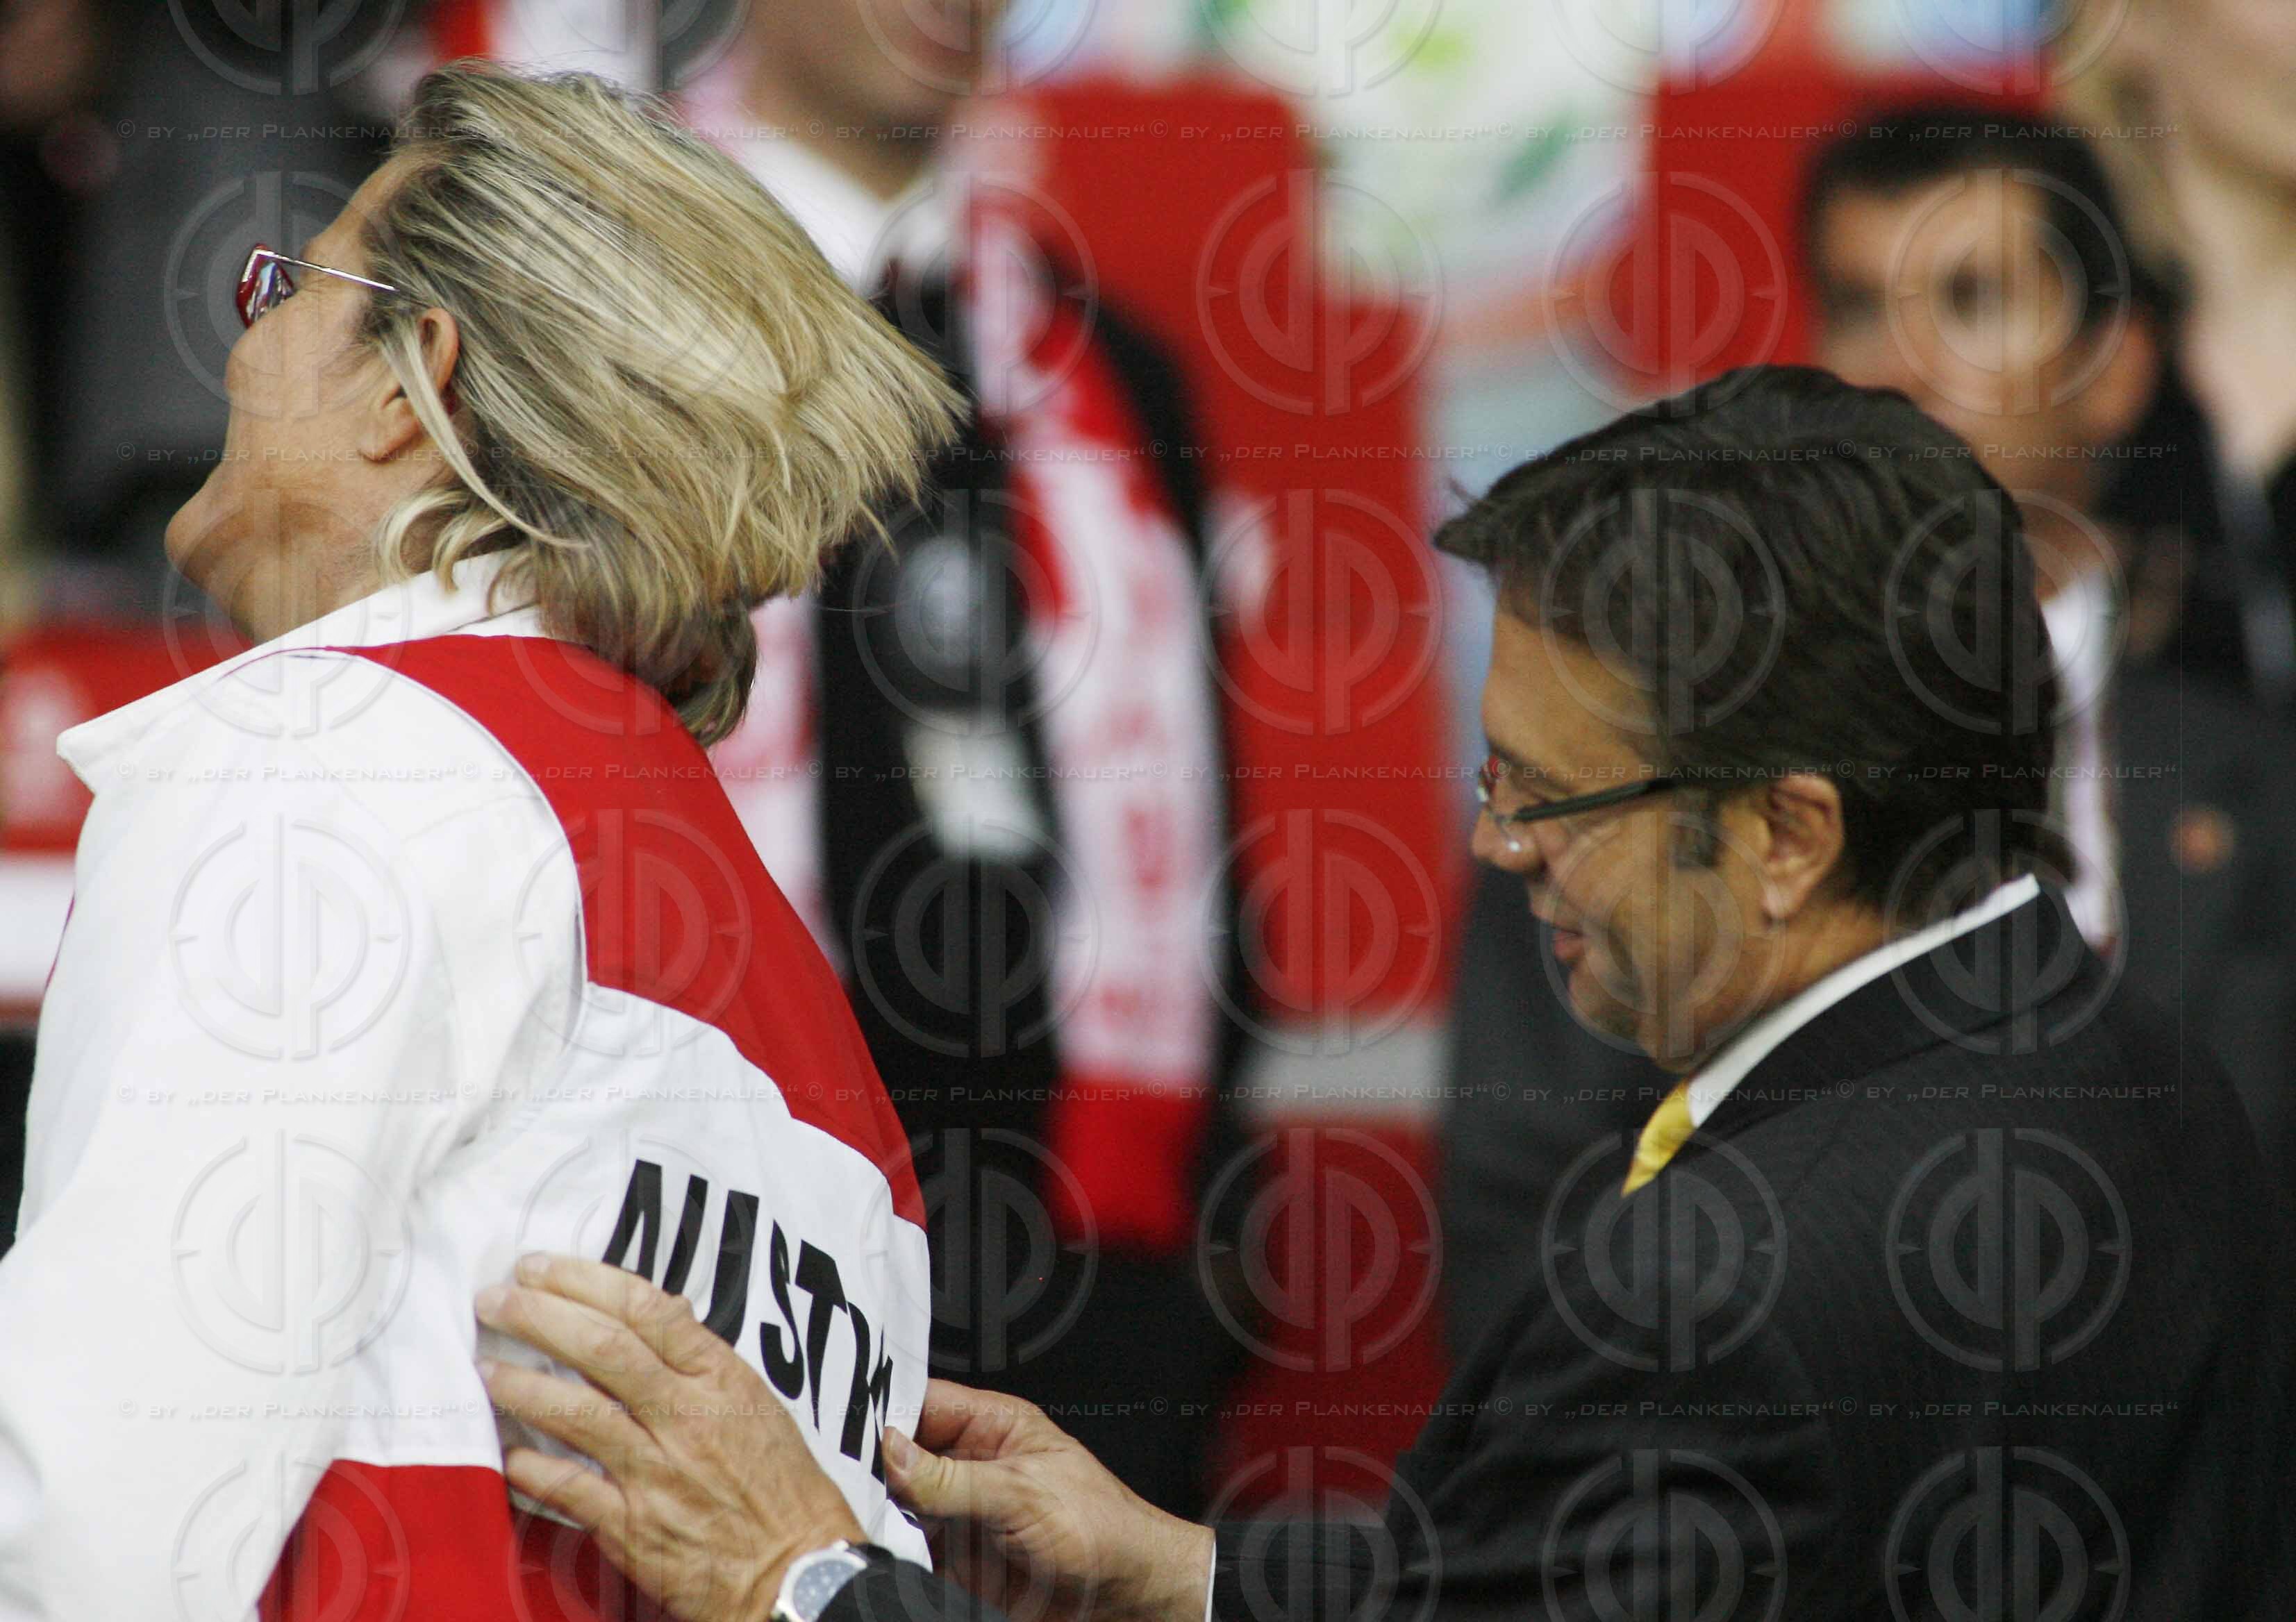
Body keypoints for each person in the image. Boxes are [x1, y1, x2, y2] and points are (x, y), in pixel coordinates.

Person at [480, 367, 2295, 1620]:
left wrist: (800, 1577)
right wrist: (1193, 1575)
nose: (1502, 851)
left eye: (1544, 793)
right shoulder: (2132, 1067)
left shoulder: (1715, 1304)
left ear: (1787, 835)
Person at [0, 64, 959, 1620]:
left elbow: (97, 1523)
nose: (244, 340)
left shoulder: (326, 759)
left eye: (291, 287)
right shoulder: (798, 1002)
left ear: (413, 380)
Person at [679, 0, 1255, 1514]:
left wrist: (1189, 1286)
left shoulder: (1109, 369)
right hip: (710, 1252)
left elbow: (1221, 854)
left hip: (1086, 1272)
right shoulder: (614, 340)